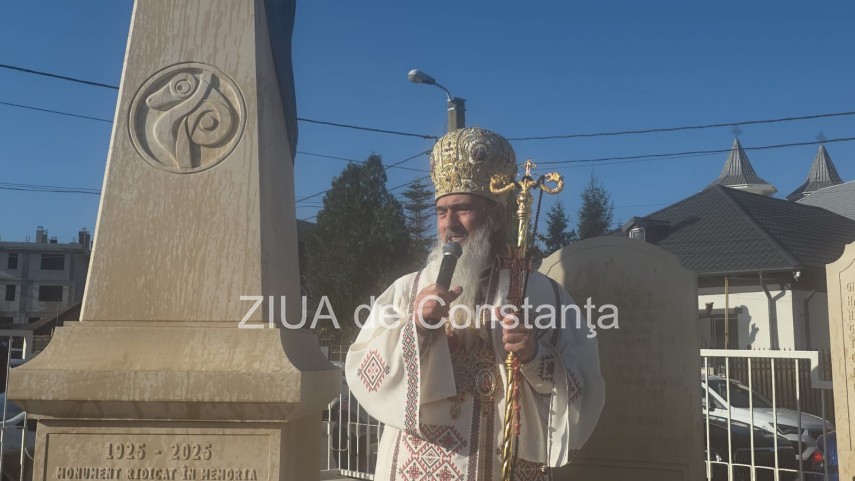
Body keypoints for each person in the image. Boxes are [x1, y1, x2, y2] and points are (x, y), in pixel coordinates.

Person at [345, 127, 604, 481]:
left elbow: (583, 386)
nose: (449, 224)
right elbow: (365, 369)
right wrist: (416, 328)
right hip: (419, 462)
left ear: (496, 217)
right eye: (441, 211)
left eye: (463, 209)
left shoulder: (545, 296)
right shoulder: (408, 291)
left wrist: (532, 355)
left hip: (508, 464)